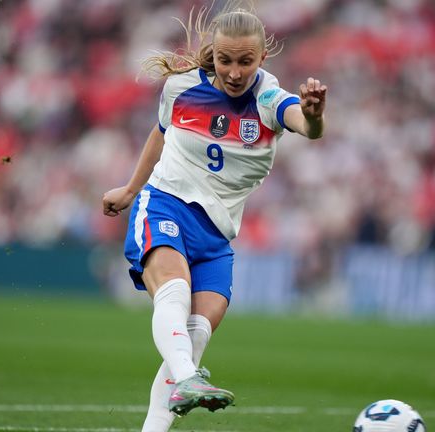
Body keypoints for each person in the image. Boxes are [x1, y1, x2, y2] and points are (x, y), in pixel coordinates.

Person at [102, 2, 327, 431]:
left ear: (261, 58)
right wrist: (132, 189)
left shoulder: (267, 99)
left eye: (246, 61)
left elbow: (303, 122)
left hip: (217, 237)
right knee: (175, 293)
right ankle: (188, 378)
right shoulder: (182, 88)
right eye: (226, 60)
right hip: (166, 204)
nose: (235, 72)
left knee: (194, 335)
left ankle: (163, 412)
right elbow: (161, 132)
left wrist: (314, 116)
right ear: (214, 55)